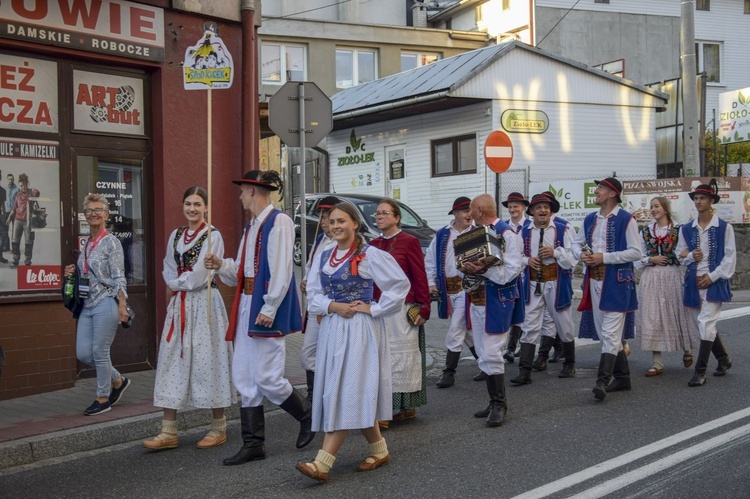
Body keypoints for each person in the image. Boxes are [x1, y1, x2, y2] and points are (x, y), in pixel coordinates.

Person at [204, 170, 313, 466]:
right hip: (247, 303)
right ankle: (253, 444)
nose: (239, 196)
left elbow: (281, 269)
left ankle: (307, 415)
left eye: (242, 191)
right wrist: (221, 264)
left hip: (264, 305)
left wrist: (269, 306)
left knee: (266, 376)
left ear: (253, 190)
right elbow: (242, 269)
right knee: (244, 376)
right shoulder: (251, 226)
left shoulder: (279, 221)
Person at [296, 202, 409, 482]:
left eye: (341, 221)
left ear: (355, 224)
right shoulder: (325, 255)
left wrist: (374, 308)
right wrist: (333, 306)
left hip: (360, 329)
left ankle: (322, 463)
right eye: (332, 221)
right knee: (350, 388)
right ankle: (380, 450)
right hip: (334, 327)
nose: (335, 226)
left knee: (345, 390)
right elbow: (313, 292)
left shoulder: (370, 255)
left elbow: (399, 285)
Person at [143, 187, 233, 450]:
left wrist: (178, 284)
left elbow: (199, 275)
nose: (192, 209)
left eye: (197, 204)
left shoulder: (212, 236)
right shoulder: (176, 235)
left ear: (206, 207)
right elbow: (167, 266)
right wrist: (175, 282)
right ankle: (168, 430)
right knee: (172, 360)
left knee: (209, 360)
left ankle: (219, 427)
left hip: (205, 303)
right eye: (187, 204)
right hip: (180, 305)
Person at [573, 177, 640, 401]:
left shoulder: (626, 219)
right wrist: (581, 254)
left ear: (612, 193)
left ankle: (602, 381)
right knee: (606, 334)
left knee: (611, 333)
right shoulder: (590, 218)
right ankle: (623, 378)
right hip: (595, 280)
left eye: (600, 188)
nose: (596, 191)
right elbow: (576, 242)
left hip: (618, 282)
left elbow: (635, 252)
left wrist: (605, 257)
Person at [64, 193, 131, 416]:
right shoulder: (87, 243)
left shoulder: (111, 242)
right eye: (89, 211)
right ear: (85, 215)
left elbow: (120, 276)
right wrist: (72, 272)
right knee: (84, 353)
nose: (93, 214)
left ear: (106, 214)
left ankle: (103, 397)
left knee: (100, 351)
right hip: (88, 303)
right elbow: (88, 271)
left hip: (106, 301)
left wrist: (122, 305)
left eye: (98, 210)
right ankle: (118, 380)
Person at [462, 194, 523, 427]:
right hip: (478, 300)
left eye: (470, 209)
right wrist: (467, 268)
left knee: (491, 352)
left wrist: (481, 270)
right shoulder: (476, 233)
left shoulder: (508, 234)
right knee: (482, 352)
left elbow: (511, 271)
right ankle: (493, 400)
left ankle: (499, 404)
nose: (468, 214)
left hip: (497, 300)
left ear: (479, 209)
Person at [370, 198, 431, 427]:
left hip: (404, 306)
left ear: (397, 218)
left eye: (385, 213)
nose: (380, 217)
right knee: (381, 356)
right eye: (377, 213)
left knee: (401, 357)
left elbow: (419, 275)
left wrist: (424, 306)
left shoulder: (409, 241)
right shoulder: (372, 244)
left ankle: (402, 406)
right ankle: (386, 407)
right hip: (380, 307)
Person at [511, 192, 578, 385]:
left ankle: (569, 363)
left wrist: (555, 253)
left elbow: (573, 257)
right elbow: (515, 257)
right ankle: (524, 371)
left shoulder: (563, 228)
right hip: (532, 282)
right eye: (538, 207)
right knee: (529, 325)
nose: (543, 210)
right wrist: (527, 260)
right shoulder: (523, 231)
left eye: (546, 207)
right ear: (531, 211)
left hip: (556, 281)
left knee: (563, 322)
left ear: (551, 211)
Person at [676, 182, 735, 387]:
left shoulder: (725, 227)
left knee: (705, 323)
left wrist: (712, 276)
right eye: (696, 198)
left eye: (702, 198)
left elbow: (729, 258)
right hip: (692, 282)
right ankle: (723, 359)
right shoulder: (686, 228)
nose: (698, 201)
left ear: (711, 201)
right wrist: (691, 255)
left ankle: (700, 371)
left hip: (714, 282)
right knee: (702, 324)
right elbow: (680, 254)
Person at [635, 196, 698, 377]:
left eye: (656, 206)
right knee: (652, 317)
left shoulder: (679, 230)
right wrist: (651, 259)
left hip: (672, 275)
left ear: (665, 208)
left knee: (677, 312)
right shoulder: (646, 231)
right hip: (651, 277)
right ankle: (657, 362)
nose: (653, 209)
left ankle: (687, 348)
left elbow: (684, 254)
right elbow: (637, 257)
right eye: (651, 207)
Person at [426, 196, 481, 388]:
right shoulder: (442, 234)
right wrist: (431, 284)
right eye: (465, 211)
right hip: (447, 290)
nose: (469, 215)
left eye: (471, 211)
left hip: (468, 290)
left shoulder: (477, 233)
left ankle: (449, 373)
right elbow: (430, 262)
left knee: (456, 329)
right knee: (466, 331)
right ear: (455, 213)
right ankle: (484, 362)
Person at [299, 195, 339, 405]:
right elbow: (310, 268)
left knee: (332, 354)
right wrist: (305, 281)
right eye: (322, 217)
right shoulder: (321, 240)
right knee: (308, 354)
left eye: (327, 217)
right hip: (315, 307)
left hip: (332, 307)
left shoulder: (341, 243)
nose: (323, 221)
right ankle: (314, 394)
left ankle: (327, 396)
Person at [500, 192, 529, 364]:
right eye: (510, 207)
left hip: (528, 275)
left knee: (529, 314)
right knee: (512, 310)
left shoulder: (530, 226)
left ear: (524, 207)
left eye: (516, 206)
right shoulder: (503, 228)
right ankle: (510, 348)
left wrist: (523, 262)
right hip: (511, 274)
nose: (513, 210)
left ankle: (516, 347)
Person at [7, 173, 38, 268]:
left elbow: (37, 192)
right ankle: (15, 260)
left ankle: (28, 261)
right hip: (17, 220)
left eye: (23, 185)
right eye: (20, 186)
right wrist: (8, 218)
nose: (22, 187)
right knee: (15, 241)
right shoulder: (18, 194)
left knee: (28, 242)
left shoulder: (31, 192)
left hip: (28, 221)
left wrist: (31, 189)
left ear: (26, 183)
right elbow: (14, 207)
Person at [0, 170, 7, 263]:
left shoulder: (2, 191)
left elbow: (3, 206)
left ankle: (0, 256)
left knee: (3, 235)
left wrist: (4, 217)